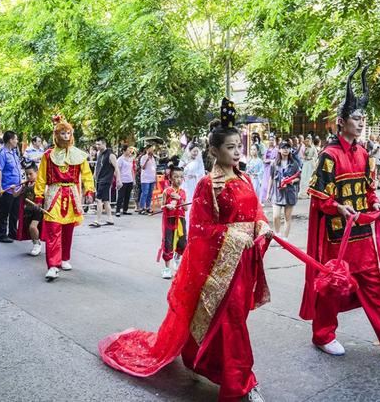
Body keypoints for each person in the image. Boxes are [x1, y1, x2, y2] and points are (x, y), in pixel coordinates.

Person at [99, 99, 273, 402]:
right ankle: (240, 383)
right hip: (219, 268)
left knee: (231, 322)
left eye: (238, 147)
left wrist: (262, 227)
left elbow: (256, 212)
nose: (236, 153)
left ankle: (203, 360)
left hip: (243, 264)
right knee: (231, 323)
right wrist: (236, 235)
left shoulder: (244, 178)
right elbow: (200, 231)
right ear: (214, 152)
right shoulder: (209, 185)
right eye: (230, 148)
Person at [303, 58, 380, 359]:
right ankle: (322, 335)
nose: (360, 122)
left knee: (374, 284)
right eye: (355, 117)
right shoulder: (328, 155)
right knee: (332, 287)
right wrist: (338, 208)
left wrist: (373, 203)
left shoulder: (363, 154)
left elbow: (370, 188)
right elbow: (319, 197)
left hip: (361, 232)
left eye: (363, 117)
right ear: (340, 123)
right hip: (336, 236)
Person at [34, 115, 95, 281]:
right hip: (54, 194)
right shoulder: (47, 156)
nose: (66, 136)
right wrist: (39, 196)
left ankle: (64, 258)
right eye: (62, 133)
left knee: (68, 229)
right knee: (53, 229)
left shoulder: (78, 155)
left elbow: (87, 174)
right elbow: (40, 177)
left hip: (72, 194)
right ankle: (53, 265)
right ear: (56, 135)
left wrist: (89, 191)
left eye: (68, 133)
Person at [158, 162, 187, 279]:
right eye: (176, 177)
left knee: (182, 243)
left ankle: (177, 258)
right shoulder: (167, 191)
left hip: (180, 220)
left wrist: (180, 199)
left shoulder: (183, 192)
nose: (178, 179)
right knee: (168, 243)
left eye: (181, 177)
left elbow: (186, 208)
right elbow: (161, 206)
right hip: (169, 221)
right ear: (170, 178)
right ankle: (166, 269)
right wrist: (167, 206)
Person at [0, 131, 22, 243]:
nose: (17, 141)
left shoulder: (13, 152)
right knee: (4, 213)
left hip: (16, 188)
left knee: (15, 212)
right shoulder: (1, 154)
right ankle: (2, 234)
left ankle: (13, 233)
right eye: (16, 139)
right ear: (10, 140)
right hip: (6, 188)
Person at [269, 142, 300, 240]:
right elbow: (271, 178)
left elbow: (298, 178)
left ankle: (285, 238)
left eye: (288, 148)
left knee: (287, 217)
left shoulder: (294, 164)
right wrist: (268, 193)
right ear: (279, 150)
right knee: (275, 216)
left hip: (289, 193)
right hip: (277, 193)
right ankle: (277, 235)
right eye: (283, 148)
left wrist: (291, 181)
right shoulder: (274, 163)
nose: (286, 149)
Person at [14, 160, 43, 256]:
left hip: (37, 210)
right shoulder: (25, 184)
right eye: (27, 175)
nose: (28, 176)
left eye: (31, 174)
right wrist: (14, 188)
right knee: (29, 229)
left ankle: (37, 245)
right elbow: (15, 195)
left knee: (33, 227)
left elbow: (45, 195)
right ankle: (35, 242)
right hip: (27, 210)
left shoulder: (40, 184)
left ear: (37, 172)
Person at [91, 137, 121, 226]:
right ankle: (110, 219)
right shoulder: (99, 153)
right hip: (99, 180)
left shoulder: (111, 155)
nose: (97, 146)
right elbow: (98, 166)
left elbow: (116, 168)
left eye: (99, 144)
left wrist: (119, 180)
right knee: (106, 200)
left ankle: (97, 219)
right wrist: (94, 174)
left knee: (98, 199)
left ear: (104, 144)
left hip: (106, 180)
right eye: (96, 144)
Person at [115, 145, 135, 217]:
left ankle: (125, 210)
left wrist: (133, 179)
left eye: (129, 150)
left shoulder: (130, 159)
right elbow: (117, 170)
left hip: (129, 179)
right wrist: (118, 179)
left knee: (127, 196)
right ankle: (117, 211)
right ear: (124, 151)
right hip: (122, 180)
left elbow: (132, 170)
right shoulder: (120, 159)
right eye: (128, 150)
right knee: (121, 196)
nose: (129, 151)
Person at [137, 145, 157, 214]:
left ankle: (148, 207)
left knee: (150, 194)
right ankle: (141, 208)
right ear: (147, 149)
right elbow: (142, 167)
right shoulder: (143, 157)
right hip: (145, 179)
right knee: (144, 193)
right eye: (150, 149)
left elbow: (155, 169)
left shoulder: (153, 158)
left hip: (152, 178)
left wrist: (155, 178)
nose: (152, 150)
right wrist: (146, 160)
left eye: (152, 149)